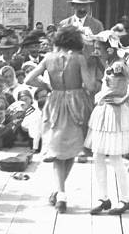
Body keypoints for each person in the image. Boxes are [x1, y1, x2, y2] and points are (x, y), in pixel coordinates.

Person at [25, 25, 96, 213]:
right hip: (76, 103)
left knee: (57, 150)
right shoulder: (79, 58)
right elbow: (89, 85)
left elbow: (28, 79)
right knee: (72, 148)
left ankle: (60, 193)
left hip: (55, 101)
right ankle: (60, 192)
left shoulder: (48, 58)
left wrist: (47, 87)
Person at [88, 56, 129, 216]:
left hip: (115, 113)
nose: (95, 50)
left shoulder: (119, 65)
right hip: (103, 111)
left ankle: (125, 199)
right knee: (97, 155)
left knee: (114, 157)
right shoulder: (107, 64)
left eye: (98, 46)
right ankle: (103, 198)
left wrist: (124, 99)